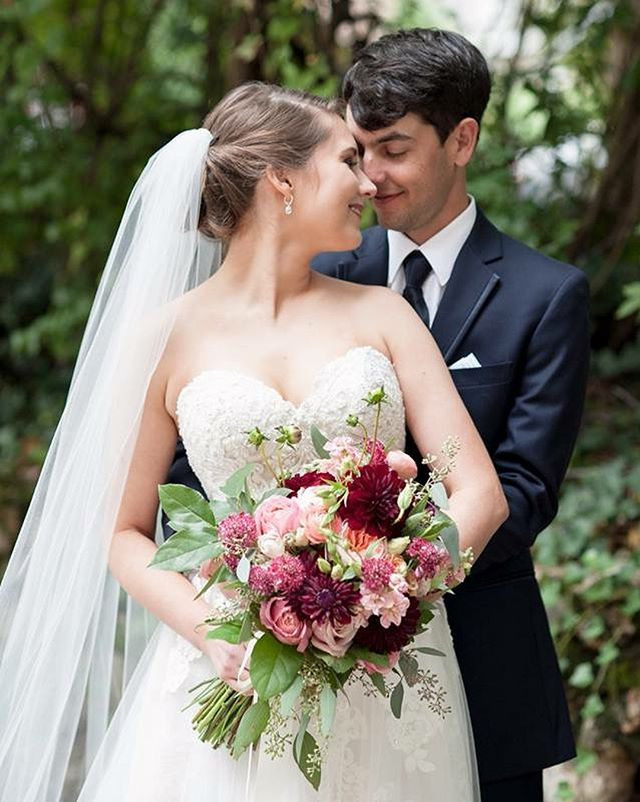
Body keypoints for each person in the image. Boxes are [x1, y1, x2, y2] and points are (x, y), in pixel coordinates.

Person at [0, 82, 508, 801]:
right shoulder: (162, 339)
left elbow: (482, 494)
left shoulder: (386, 315)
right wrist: (215, 631)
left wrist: (380, 592)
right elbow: (123, 533)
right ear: (282, 180)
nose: (368, 183)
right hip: (233, 662)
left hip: (384, 672)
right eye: (346, 161)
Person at [311, 28, 588, 802]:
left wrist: (378, 578)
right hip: (316, 662)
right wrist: (304, 581)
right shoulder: (321, 273)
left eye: (393, 148)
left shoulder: (546, 296)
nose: (370, 176)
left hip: (481, 664)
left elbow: (525, 489)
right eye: (356, 150)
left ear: (462, 139)